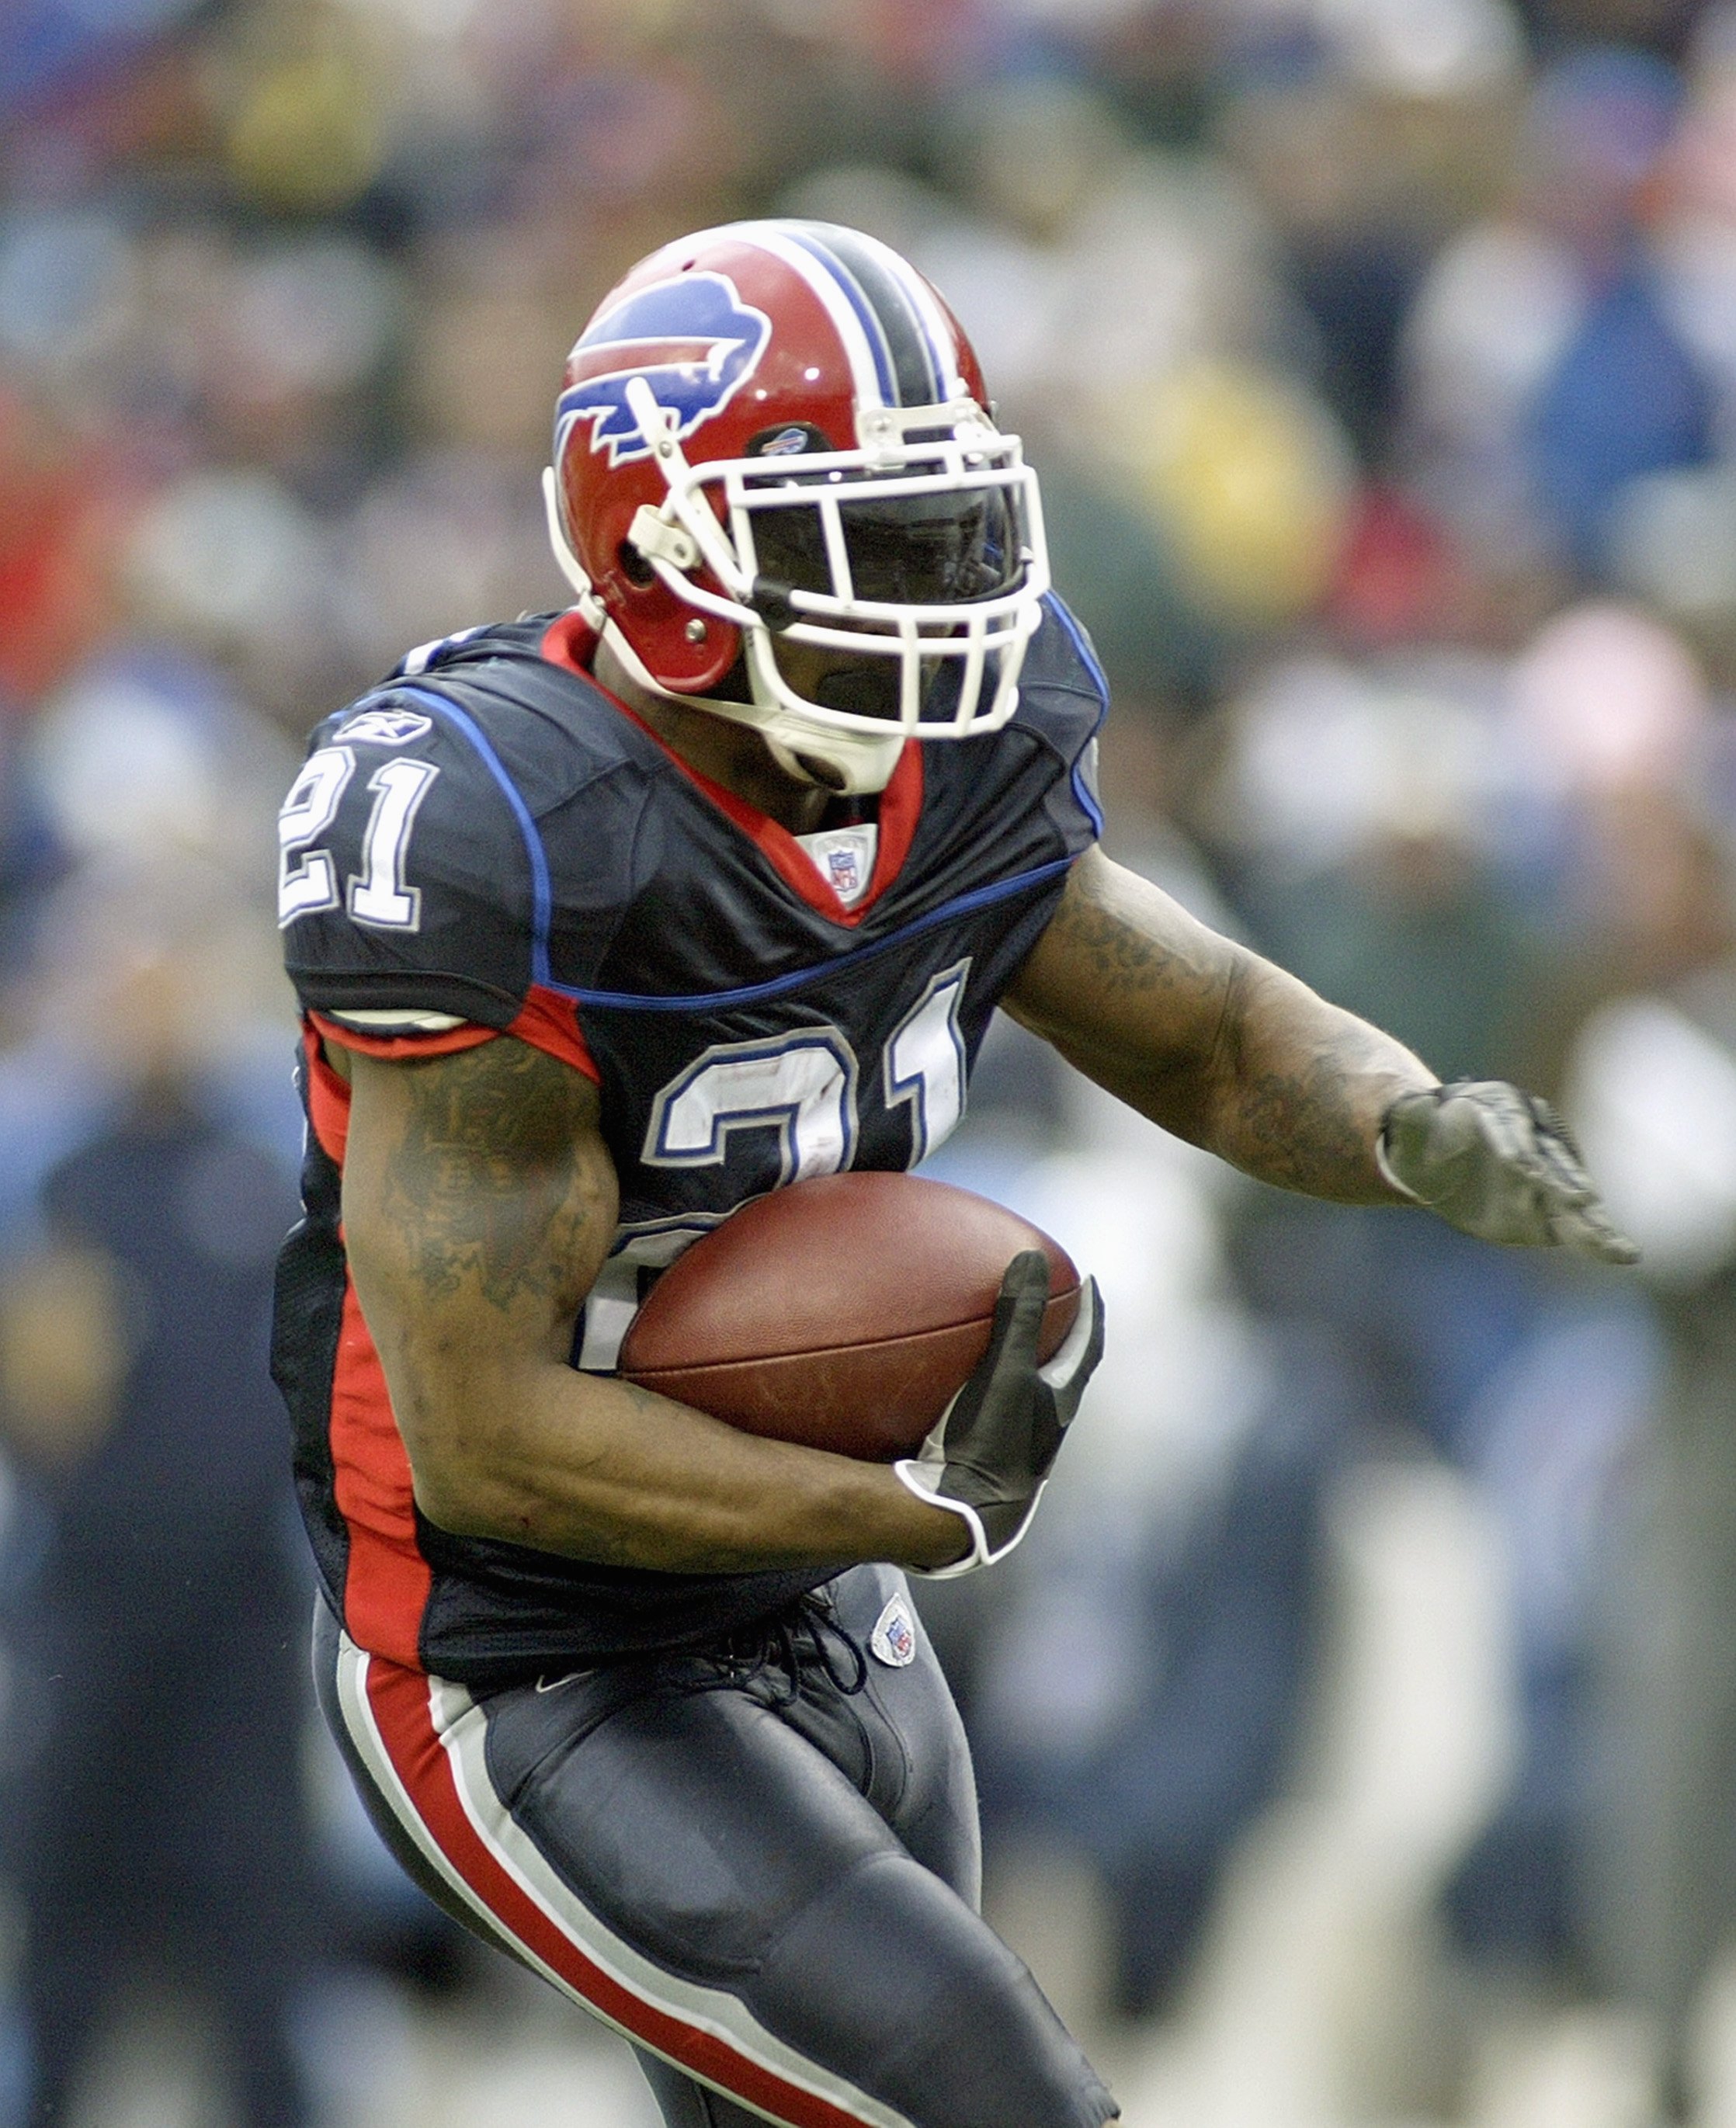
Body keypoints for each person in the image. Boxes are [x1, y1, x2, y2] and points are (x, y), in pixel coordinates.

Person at [271, 220, 1634, 2128]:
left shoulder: (963, 759)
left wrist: (1419, 1127)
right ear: (667, 549)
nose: (949, 597)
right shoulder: (505, 826)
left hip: (820, 1603)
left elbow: (1217, 1035)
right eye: (875, 546)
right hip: (523, 1653)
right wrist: (913, 1505)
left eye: (958, 529)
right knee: (996, 2101)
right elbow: (485, 1429)